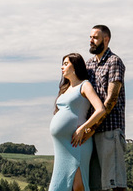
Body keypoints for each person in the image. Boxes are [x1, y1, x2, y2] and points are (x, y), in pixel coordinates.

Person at [49, 52, 106, 191]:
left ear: (75, 67)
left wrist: (83, 129)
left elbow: (101, 110)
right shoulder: (65, 88)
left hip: (76, 143)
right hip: (62, 145)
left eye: (66, 64)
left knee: (78, 185)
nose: (62, 67)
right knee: (58, 186)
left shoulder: (85, 85)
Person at [84, 25, 126, 191]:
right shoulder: (88, 65)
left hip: (109, 129)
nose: (91, 41)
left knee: (114, 184)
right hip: (91, 133)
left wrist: (92, 126)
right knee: (95, 186)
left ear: (106, 39)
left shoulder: (114, 61)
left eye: (95, 37)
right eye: (90, 37)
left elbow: (111, 99)